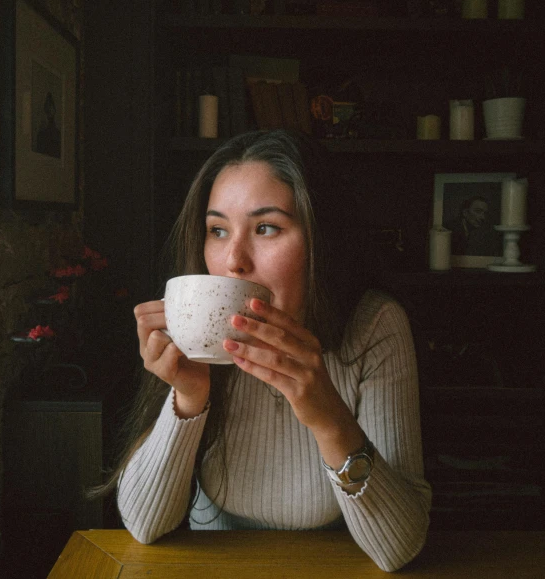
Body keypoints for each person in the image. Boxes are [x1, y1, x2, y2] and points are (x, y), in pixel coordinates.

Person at [110, 130, 431, 572]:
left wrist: (326, 414)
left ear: (318, 240)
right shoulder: (194, 343)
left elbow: (399, 547)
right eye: (217, 230)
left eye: (266, 228)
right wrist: (187, 399)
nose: (234, 260)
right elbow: (145, 527)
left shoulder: (373, 325)